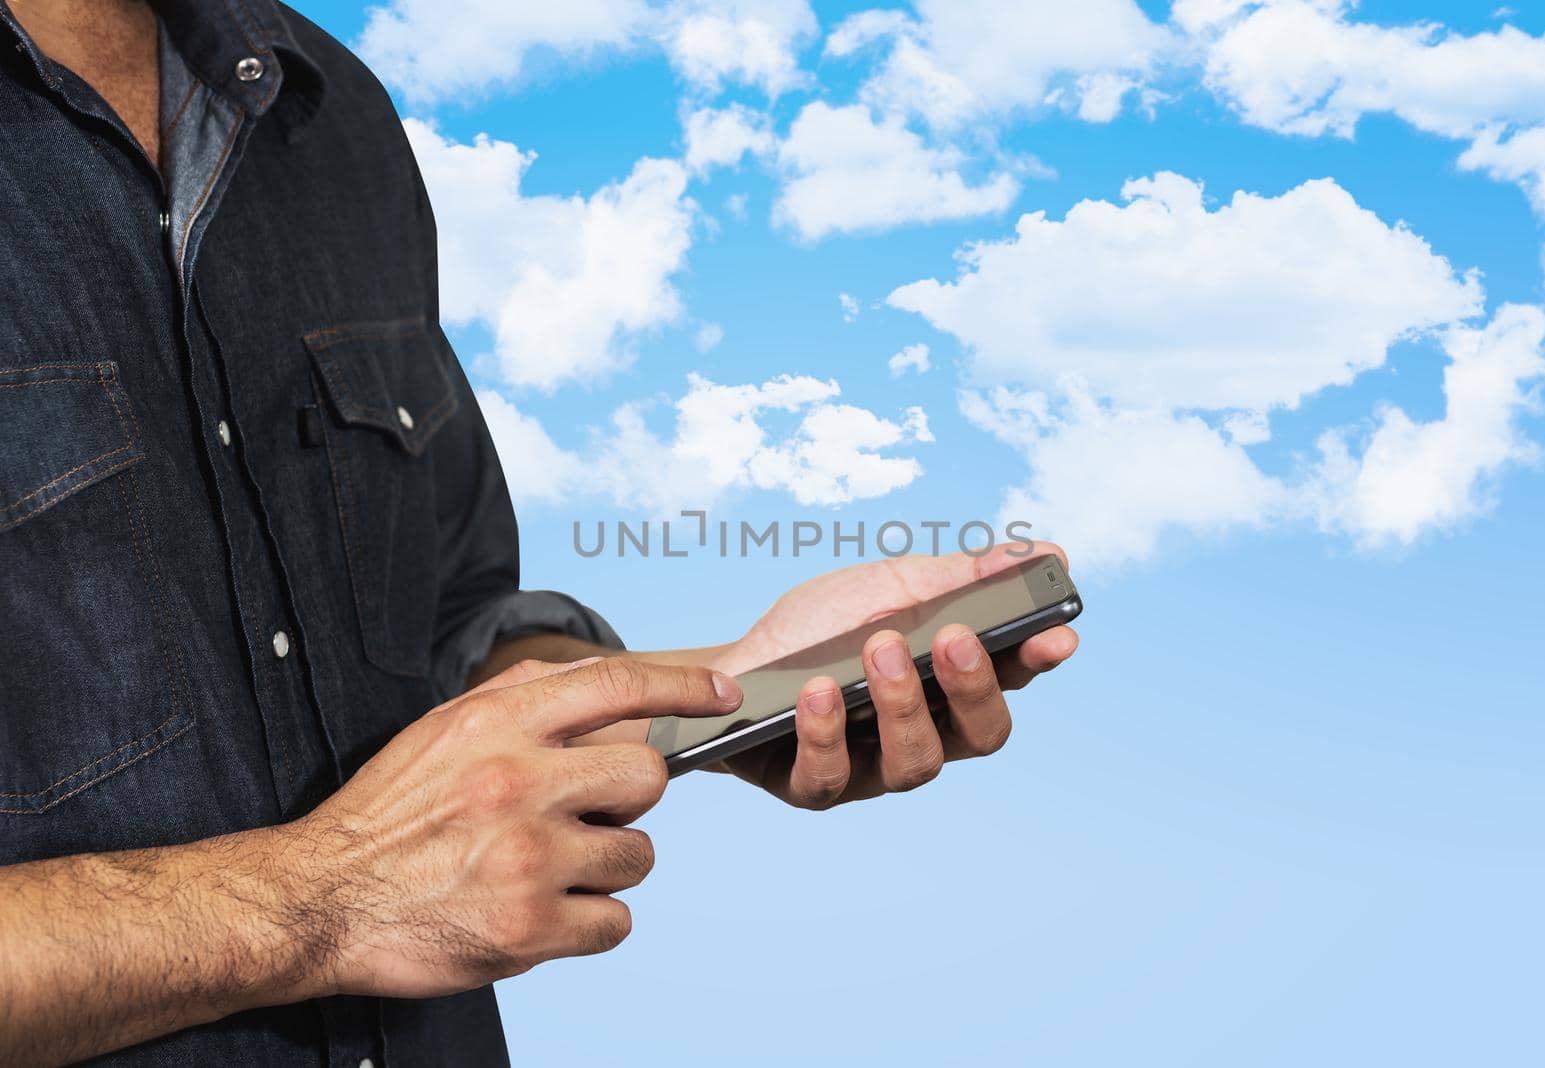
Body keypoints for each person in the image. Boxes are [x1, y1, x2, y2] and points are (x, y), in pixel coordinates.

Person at [0, 1, 1079, 1064]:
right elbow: (373, 866)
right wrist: (322, 900)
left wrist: (740, 686)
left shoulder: (324, 108)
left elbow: (451, 626)